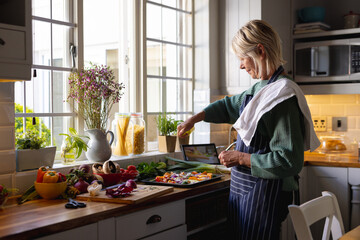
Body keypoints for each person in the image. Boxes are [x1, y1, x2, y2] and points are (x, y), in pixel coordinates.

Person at [177, 19, 320, 240]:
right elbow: (228, 106)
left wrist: (242, 158)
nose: (241, 66)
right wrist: (194, 119)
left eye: (242, 58)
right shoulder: (260, 88)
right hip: (246, 192)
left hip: (267, 194)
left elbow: (288, 160)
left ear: (260, 51)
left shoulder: (282, 95)